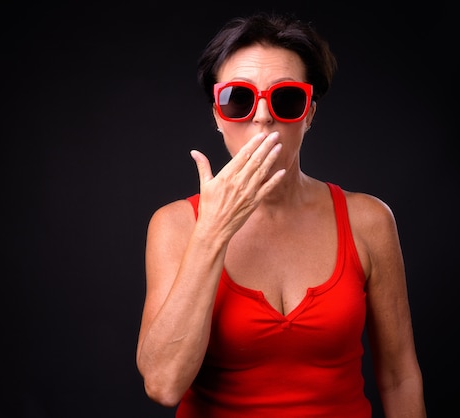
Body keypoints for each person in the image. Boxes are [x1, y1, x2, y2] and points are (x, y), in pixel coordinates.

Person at [135, 10, 427, 418]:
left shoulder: (369, 221)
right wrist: (213, 233)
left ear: (308, 113)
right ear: (217, 115)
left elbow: (399, 377)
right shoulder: (174, 225)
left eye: (286, 99)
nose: (262, 116)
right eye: (238, 99)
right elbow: (163, 385)